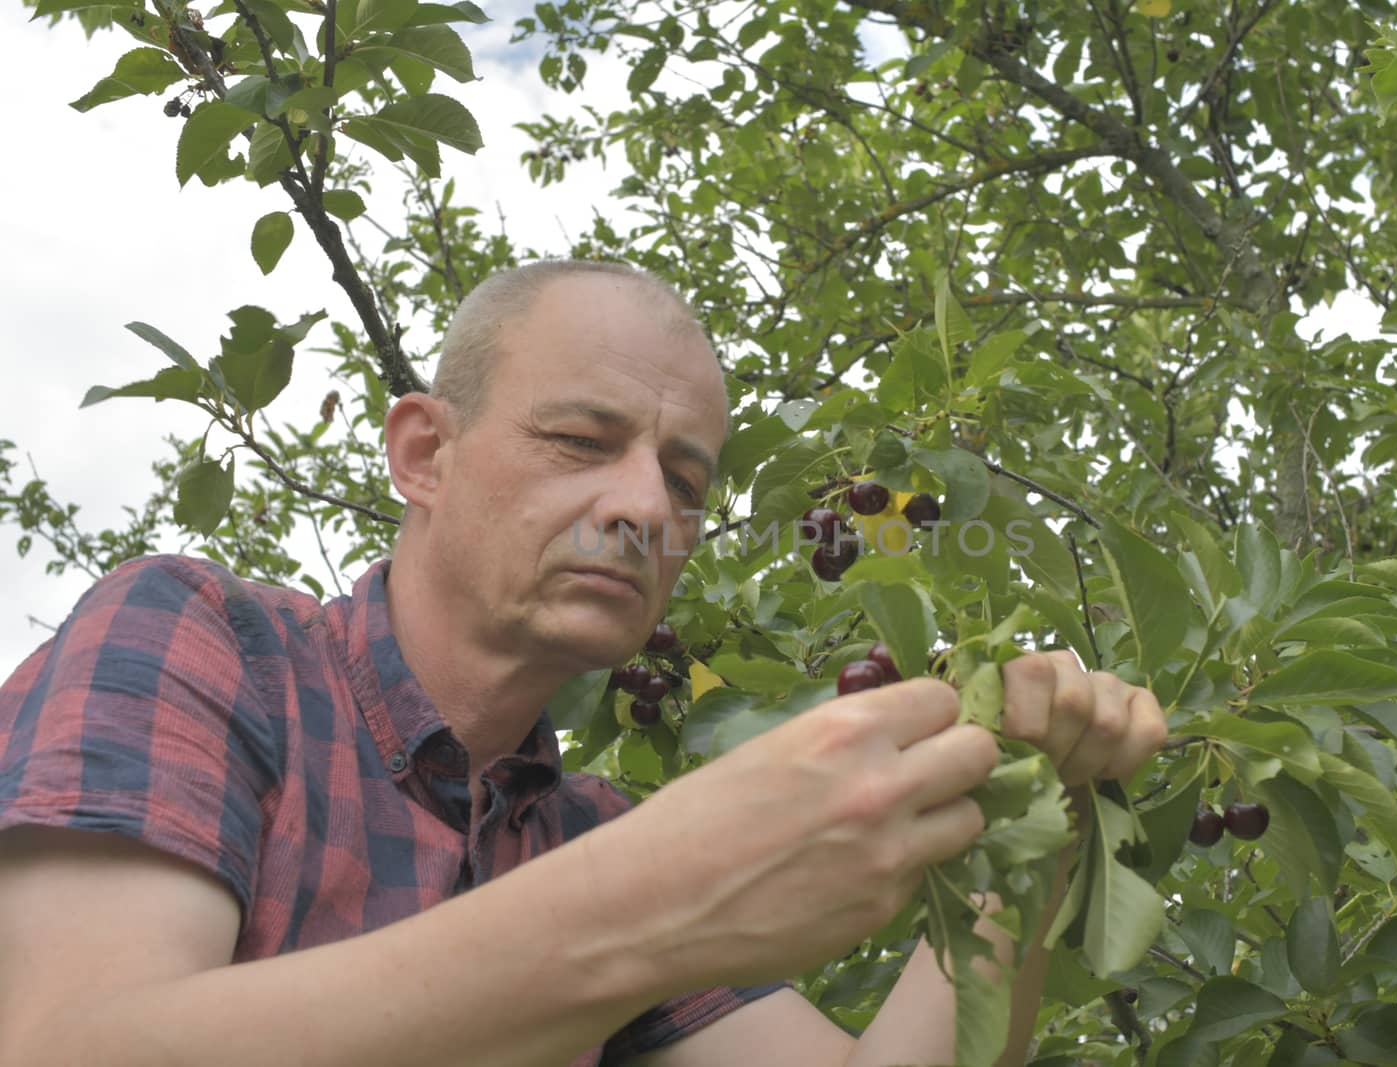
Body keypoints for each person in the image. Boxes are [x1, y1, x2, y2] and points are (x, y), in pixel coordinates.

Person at [0, 260, 1167, 1066]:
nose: (641, 506)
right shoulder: (206, 637)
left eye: (687, 482)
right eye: (579, 441)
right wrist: (659, 900)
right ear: (424, 452)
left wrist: (1033, 819)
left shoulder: (585, 830)